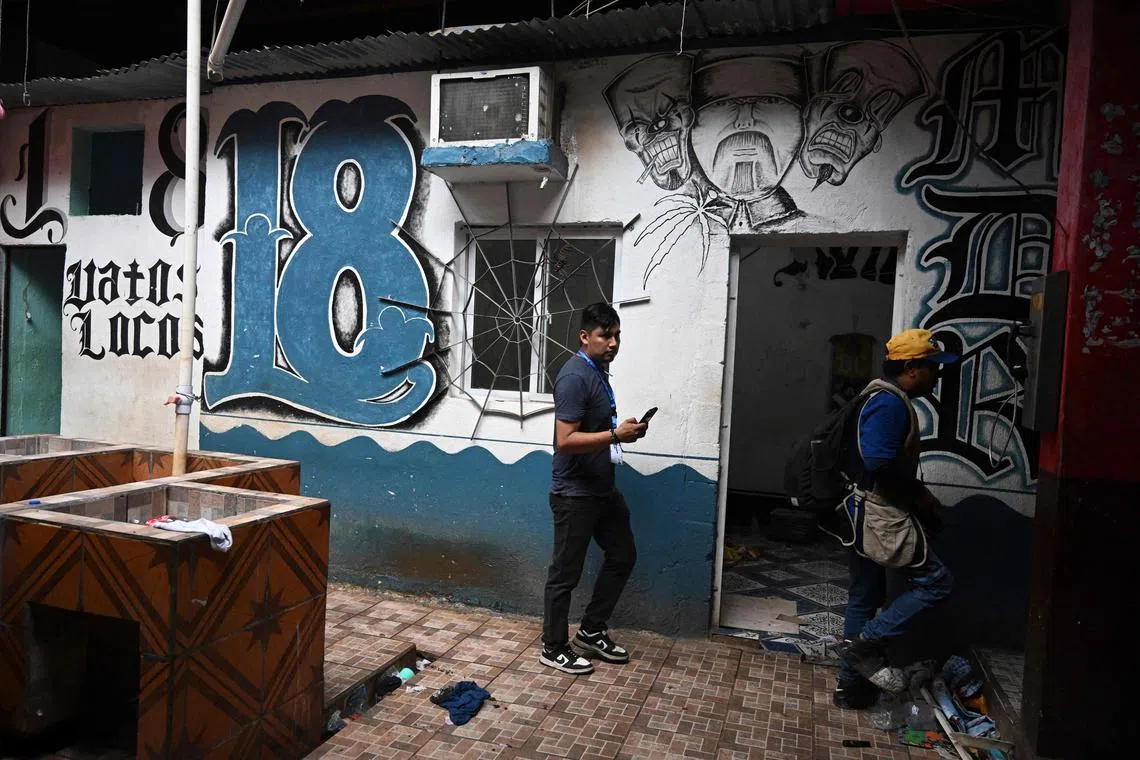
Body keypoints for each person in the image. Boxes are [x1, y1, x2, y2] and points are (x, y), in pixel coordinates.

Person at [832, 328, 957, 709]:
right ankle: (868, 643)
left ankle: (850, 688)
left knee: (865, 594)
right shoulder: (889, 403)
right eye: (932, 367)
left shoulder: (881, 396)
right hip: (878, 514)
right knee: (937, 583)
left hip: (862, 510)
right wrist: (920, 496)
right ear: (911, 368)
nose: (937, 374)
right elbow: (879, 461)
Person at [540, 302, 648, 675]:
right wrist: (617, 435)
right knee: (564, 574)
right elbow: (565, 440)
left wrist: (622, 430)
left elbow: (595, 427)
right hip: (574, 493)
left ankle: (590, 630)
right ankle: (553, 647)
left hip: (602, 489)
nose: (613, 343)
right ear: (585, 337)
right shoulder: (574, 377)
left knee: (623, 555)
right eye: (605, 335)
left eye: (617, 335)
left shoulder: (599, 372)